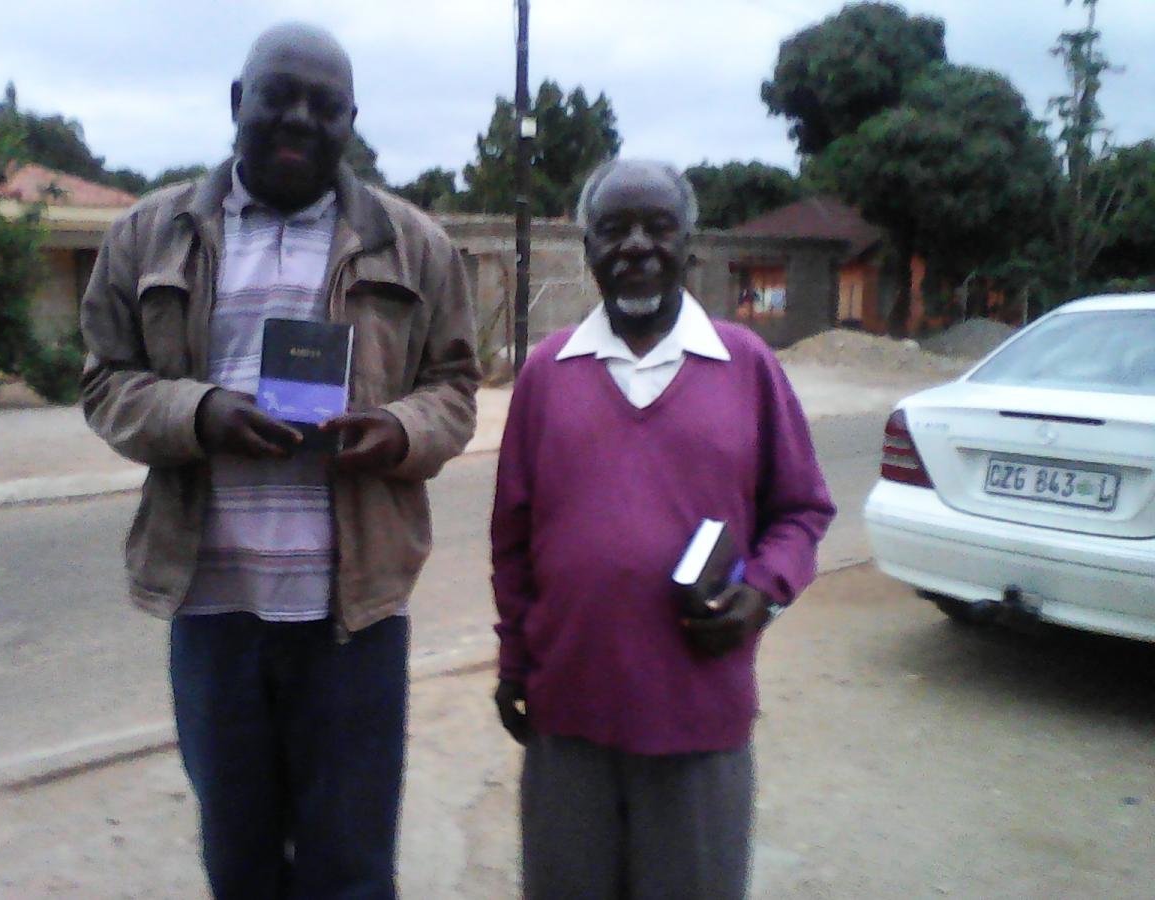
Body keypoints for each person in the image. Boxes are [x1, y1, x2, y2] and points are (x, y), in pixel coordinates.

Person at [80, 23, 479, 899]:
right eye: (278, 96)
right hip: (212, 612)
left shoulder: (414, 244)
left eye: (324, 105)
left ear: (351, 122)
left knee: (351, 869)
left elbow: (454, 389)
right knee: (241, 865)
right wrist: (200, 413)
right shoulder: (151, 235)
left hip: (352, 619)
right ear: (237, 102)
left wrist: (398, 432)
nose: (299, 117)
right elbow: (106, 382)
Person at [490, 159, 835, 899]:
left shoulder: (746, 366)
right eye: (614, 229)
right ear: (588, 248)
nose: (637, 245)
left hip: (699, 717)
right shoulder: (547, 374)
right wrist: (515, 663)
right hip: (568, 714)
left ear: (689, 245)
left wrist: (761, 594)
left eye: (658, 227)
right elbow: (512, 542)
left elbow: (801, 509)